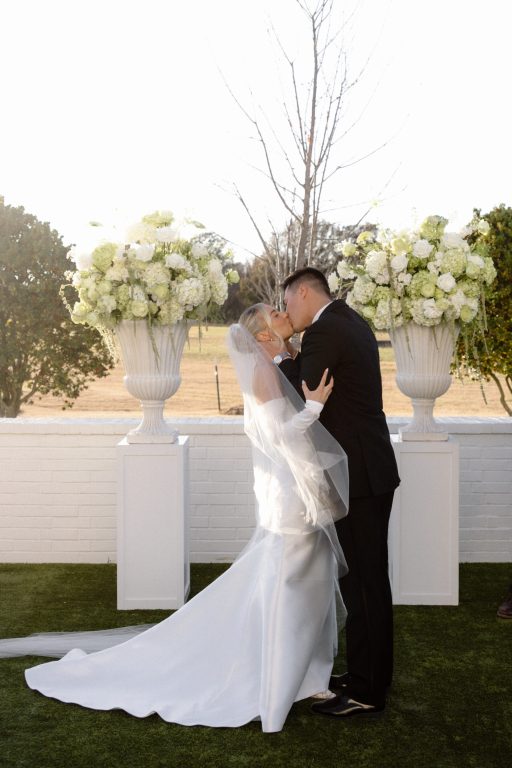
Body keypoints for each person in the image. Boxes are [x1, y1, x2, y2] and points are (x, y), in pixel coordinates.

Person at [0, 304, 349, 734]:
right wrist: (313, 407)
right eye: (274, 313)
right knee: (293, 586)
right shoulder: (262, 374)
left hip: (297, 489)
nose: (283, 313)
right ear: (262, 337)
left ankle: (308, 675)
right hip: (289, 499)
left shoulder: (276, 366)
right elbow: (281, 435)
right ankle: (278, 683)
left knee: (307, 584)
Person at [268, 266, 400, 718]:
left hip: (358, 475)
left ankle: (366, 690)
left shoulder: (325, 332)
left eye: (287, 303)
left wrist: (279, 353)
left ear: (303, 293)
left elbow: (299, 396)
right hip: (371, 469)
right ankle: (369, 673)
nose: (286, 312)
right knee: (366, 579)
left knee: (363, 582)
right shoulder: (350, 319)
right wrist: (290, 348)